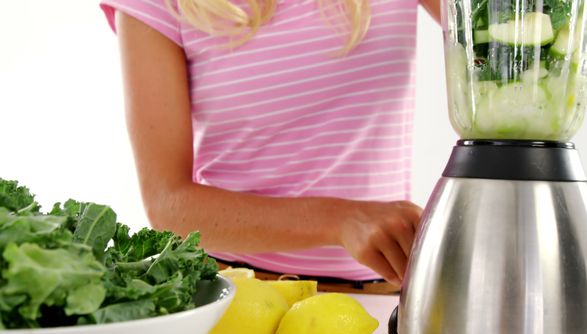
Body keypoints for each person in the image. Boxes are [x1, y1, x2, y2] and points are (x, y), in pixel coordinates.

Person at [100, 0, 439, 294]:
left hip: (383, 297)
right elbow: (169, 204)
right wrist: (341, 220)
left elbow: (490, 38)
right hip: (235, 292)